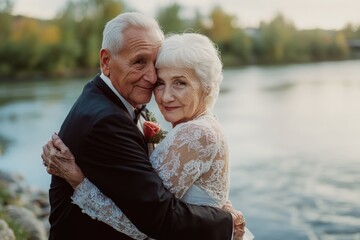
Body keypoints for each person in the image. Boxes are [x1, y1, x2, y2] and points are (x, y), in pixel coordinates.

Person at [41, 12, 244, 240]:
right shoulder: (107, 121)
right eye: (139, 62)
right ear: (106, 61)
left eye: (179, 82)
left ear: (206, 87)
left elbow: (152, 213)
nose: (150, 78)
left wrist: (79, 181)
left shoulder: (124, 102)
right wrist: (224, 221)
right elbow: (156, 217)